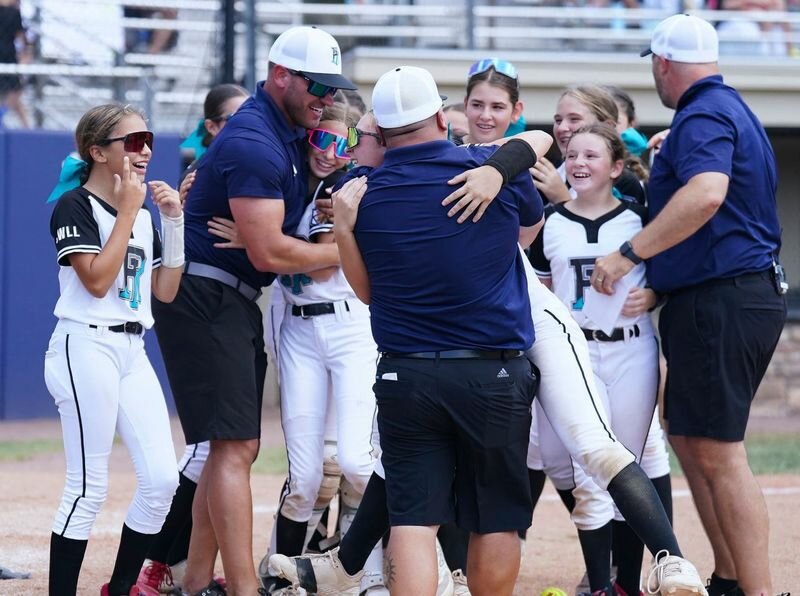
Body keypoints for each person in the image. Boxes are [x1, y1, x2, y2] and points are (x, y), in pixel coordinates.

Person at [270, 72, 708, 596]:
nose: (350, 146)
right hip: (495, 354)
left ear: (383, 136)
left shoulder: (365, 196)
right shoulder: (474, 168)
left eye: (360, 135)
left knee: (423, 500)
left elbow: (367, 292)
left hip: (444, 354)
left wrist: (492, 169)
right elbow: (534, 156)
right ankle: (669, 561)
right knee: (539, 482)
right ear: (438, 118)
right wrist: (498, 170)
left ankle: (347, 560)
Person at [151, 25, 356, 596]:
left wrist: (268, 242)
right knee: (236, 447)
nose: (326, 98)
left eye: (332, 88)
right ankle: (241, 588)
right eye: (317, 85)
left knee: (229, 448)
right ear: (280, 76)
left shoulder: (288, 133)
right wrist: (349, 249)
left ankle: (193, 580)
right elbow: (271, 250)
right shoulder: (258, 141)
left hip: (229, 296)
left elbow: (268, 243)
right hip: (205, 293)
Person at [592, 14, 788, 596]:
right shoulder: (727, 109)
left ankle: (756, 589)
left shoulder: (703, 112)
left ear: (664, 63)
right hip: (723, 296)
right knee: (690, 440)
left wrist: (629, 254)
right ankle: (728, 578)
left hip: (723, 299)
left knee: (719, 452)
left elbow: (707, 194)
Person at [45, 103, 184, 596]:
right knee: (88, 487)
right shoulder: (75, 205)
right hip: (84, 345)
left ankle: (119, 590)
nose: (144, 150)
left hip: (131, 349)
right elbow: (98, 282)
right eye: (132, 141)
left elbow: (164, 292)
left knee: (163, 480)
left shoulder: (143, 214)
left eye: (147, 139)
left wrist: (173, 221)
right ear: (97, 152)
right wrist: (128, 212)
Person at [530, 124, 663, 596]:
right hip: (573, 353)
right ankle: (604, 578)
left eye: (592, 155)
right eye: (572, 154)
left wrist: (656, 293)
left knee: (619, 469)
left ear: (617, 167)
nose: (579, 162)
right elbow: (541, 290)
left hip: (631, 350)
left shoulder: (639, 218)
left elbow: (670, 271)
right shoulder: (548, 221)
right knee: (563, 465)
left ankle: (619, 584)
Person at [136, 83, 249, 595]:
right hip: (193, 302)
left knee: (211, 453)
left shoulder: (240, 164)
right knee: (207, 451)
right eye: (233, 118)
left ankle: (187, 570)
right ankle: (160, 562)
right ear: (211, 127)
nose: (245, 127)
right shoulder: (200, 173)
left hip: (237, 306)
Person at [534, 84, 646, 206]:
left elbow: (613, 224)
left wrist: (562, 199)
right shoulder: (544, 177)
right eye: (558, 120)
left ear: (607, 126)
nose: (562, 128)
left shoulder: (623, 182)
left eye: (574, 119)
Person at [0, 0, 30, 128]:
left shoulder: (14, 12)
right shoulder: (14, 12)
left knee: (14, 97)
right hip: (9, 58)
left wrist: (25, 55)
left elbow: (21, 37)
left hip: (9, 59)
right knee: (14, 97)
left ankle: (27, 129)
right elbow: (21, 37)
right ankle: (27, 129)